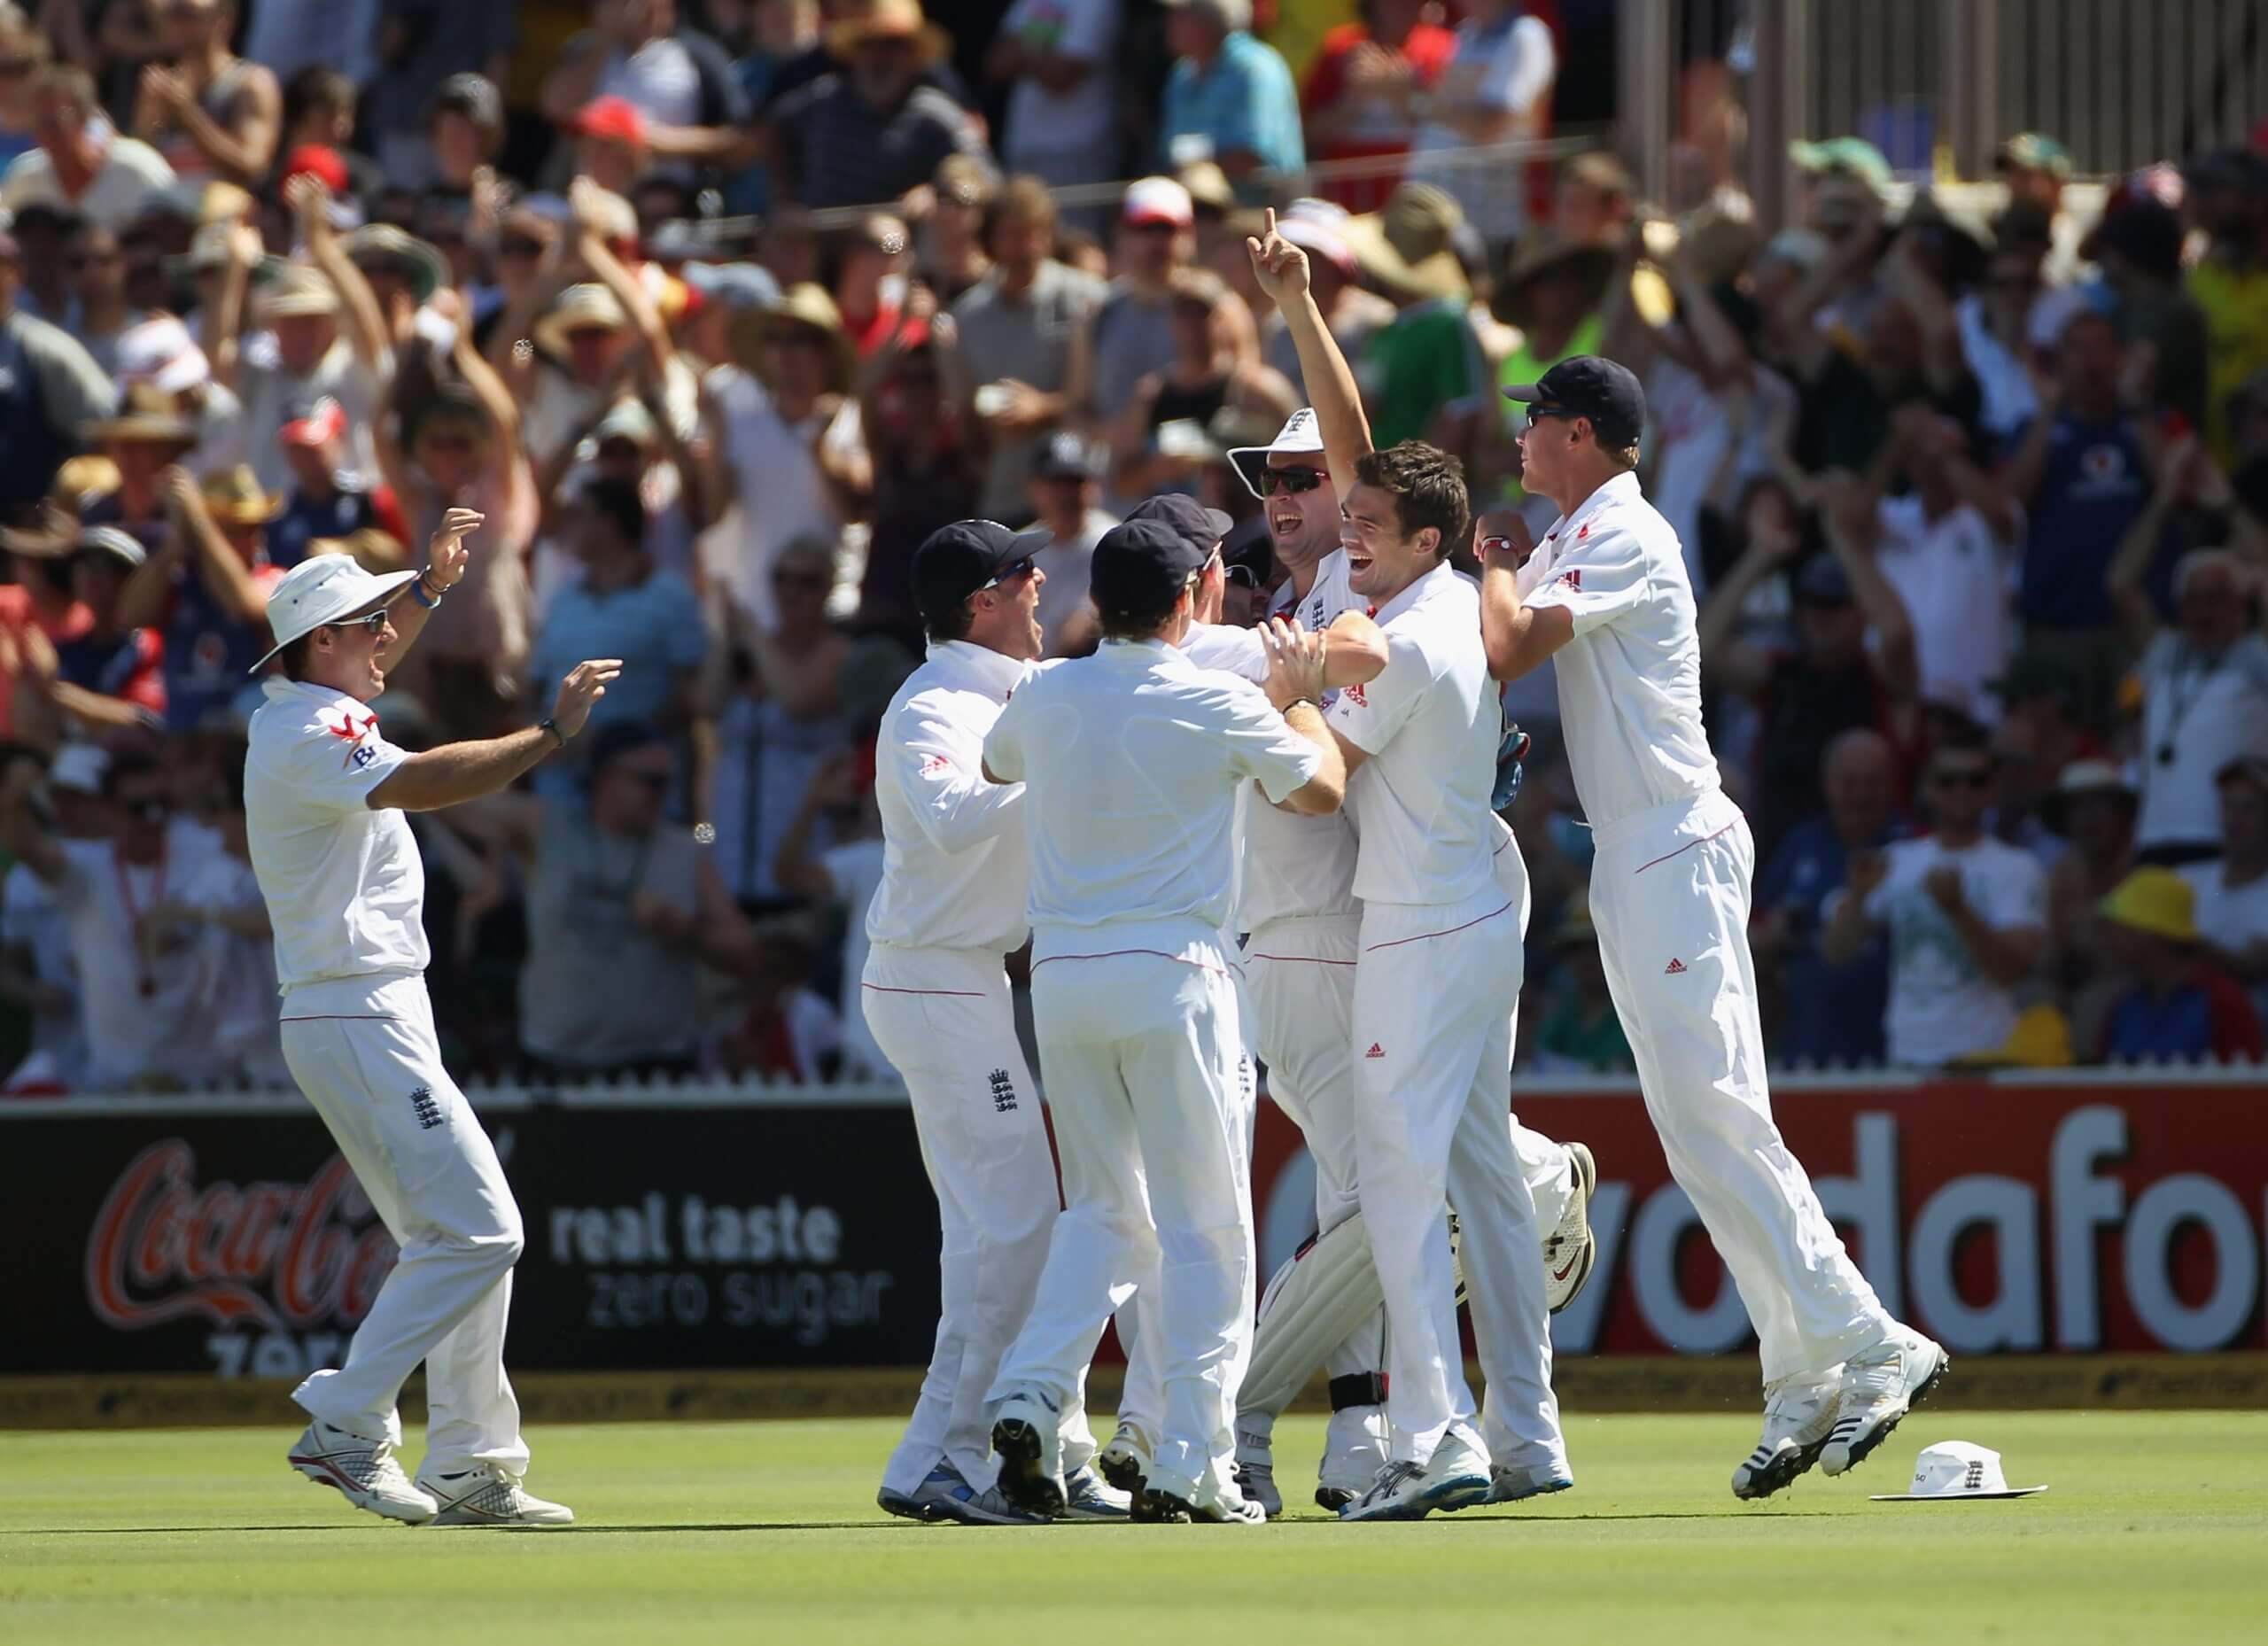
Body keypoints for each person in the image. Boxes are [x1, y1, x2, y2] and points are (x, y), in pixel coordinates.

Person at [1480, 354, 1939, 1499]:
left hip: (1675, 842)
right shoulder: (1573, 533)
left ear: (1580, 433)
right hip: (1638, 853)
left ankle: (1875, 1338)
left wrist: (1487, 560)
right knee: (1693, 1126)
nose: (1521, 439)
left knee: (1722, 1110)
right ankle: (1799, 1370)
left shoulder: (1622, 531)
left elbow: (1511, 645)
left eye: (1534, 422)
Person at [1218, 221, 1596, 1518]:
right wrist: (1300, 308)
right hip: (1468, 895)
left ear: (1422, 539)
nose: (1340, 522)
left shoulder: (1403, 629)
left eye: (1363, 518)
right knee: (1476, 1171)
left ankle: (1433, 1433)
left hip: (1418, 922)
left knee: (1402, 1179)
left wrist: (1296, 680)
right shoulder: (1403, 590)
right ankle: (1528, 1429)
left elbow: (1331, 755)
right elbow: (1346, 448)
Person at [243, 516, 612, 1527]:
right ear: (327, 641)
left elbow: (373, 664)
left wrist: (433, 589)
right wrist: (551, 734)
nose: (384, 642)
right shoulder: (309, 731)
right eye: (368, 625)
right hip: (356, 1008)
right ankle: (348, 1421)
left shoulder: (311, 707)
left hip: (366, 1007)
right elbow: (431, 779)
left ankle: (472, 1463)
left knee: (451, 1238)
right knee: (486, 1229)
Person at [983, 519, 1345, 1526]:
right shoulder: (1215, 697)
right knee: (1207, 1231)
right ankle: (1195, 1459)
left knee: (1105, 1213)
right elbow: (1320, 790)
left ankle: (1031, 1385)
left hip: (1061, 981)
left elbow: (994, 762)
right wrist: (1304, 692)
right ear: (1196, 592)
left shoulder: (1047, 691)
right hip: (1174, 973)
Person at [857, 518, 1128, 1527]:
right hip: (933, 981)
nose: (1042, 581)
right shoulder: (931, 701)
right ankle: (948, 1451)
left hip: (966, 981)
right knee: (1014, 1227)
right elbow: (959, 818)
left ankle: (1048, 1453)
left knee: (997, 1232)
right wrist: (1059, 760)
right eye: (1023, 572)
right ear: (983, 599)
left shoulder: (1020, 690)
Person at [0, 745, 226, 1091]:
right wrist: (15, 798)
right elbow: (27, 848)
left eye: (162, 804)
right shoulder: (86, 868)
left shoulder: (205, 850)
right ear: (107, 811)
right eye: (139, 808)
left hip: (204, 1076)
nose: (154, 818)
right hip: (114, 1079)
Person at [1821, 738, 2047, 1068]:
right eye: (1947, 780)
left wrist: (1958, 910)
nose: (1962, 790)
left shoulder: (2017, 867)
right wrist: (1858, 898)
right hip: (1906, 1052)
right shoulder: (1897, 861)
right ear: (1927, 788)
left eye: (1976, 780)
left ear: (1992, 789)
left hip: (1986, 1056)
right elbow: (1836, 952)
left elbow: (2013, 970)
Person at [2109, 465, 2268, 865]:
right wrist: (2162, 503)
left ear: (2240, 605)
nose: (2204, 610)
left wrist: (2229, 505)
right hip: (2156, 838)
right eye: (2193, 599)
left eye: (2217, 597)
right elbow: (2120, 583)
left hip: (2231, 843)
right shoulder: (2165, 651)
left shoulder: (2255, 654)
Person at [1751, 728, 1904, 1069]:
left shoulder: (1912, 848)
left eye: (1873, 781)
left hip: (1894, 1046)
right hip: (1809, 1042)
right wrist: (1771, 938)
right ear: (1827, 783)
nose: (1861, 794)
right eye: (1850, 782)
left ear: (1891, 783)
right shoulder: (1800, 845)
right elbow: (1758, 932)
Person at [770, 1, 989, 211]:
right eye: (870, 45)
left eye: (893, 45)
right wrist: (786, 198)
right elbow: (770, 130)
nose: (880, 58)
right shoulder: (819, 100)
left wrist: (940, 193)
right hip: (824, 243)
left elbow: (987, 182)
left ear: (912, 56)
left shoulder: (935, 116)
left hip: (898, 244)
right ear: (855, 52)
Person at [0, 221, 118, 521]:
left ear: (15, 273)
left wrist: (67, 501)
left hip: (26, 533)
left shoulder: (44, 348)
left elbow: (105, 428)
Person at [2093, 868, 2264, 1063]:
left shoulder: (2222, 1003)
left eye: (2120, 927)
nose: (2112, 939)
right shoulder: (2122, 1008)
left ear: (2150, 933)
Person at [1157, 0, 1304, 196]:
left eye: (1180, 15)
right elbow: (1170, 151)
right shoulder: (1183, 73)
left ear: (1207, 22)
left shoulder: (1254, 68)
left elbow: (1251, 157)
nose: (1169, 22)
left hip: (1261, 207)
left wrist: (1197, 167)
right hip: (1200, 206)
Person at [2, 66, 175, 231]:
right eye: (38, 124)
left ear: (85, 119)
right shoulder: (26, 175)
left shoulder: (137, 166)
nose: (46, 134)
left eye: (54, 123)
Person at [133, 0, 282, 186]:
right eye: (173, 13)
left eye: (188, 13)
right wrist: (149, 121)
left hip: (224, 211)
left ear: (222, 19)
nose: (178, 24)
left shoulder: (250, 83)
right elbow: (143, 168)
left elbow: (252, 168)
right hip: (166, 208)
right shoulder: (164, 88)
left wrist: (189, 117)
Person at [2179, 757, 2268, 1025]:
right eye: (2228, 806)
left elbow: (2251, 966)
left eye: (2249, 809)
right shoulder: (2185, 879)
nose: (2235, 820)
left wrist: (2174, 937)